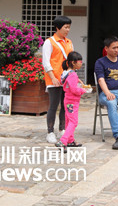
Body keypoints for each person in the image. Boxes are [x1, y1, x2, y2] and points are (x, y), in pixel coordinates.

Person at [42, 16, 73, 144]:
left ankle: (62, 129)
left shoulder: (69, 42)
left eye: (69, 27)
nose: (68, 30)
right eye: (66, 27)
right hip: (54, 79)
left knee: (65, 105)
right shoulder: (49, 42)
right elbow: (46, 62)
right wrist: (53, 77)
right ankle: (50, 132)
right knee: (53, 106)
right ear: (58, 28)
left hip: (66, 79)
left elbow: (71, 61)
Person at [57, 51, 87, 151]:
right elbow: (74, 90)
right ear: (73, 62)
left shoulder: (66, 73)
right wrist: (83, 90)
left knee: (68, 121)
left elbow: (67, 84)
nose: (81, 63)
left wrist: (78, 81)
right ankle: (63, 141)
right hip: (72, 102)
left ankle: (70, 140)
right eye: (80, 61)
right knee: (73, 122)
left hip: (67, 100)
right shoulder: (73, 75)